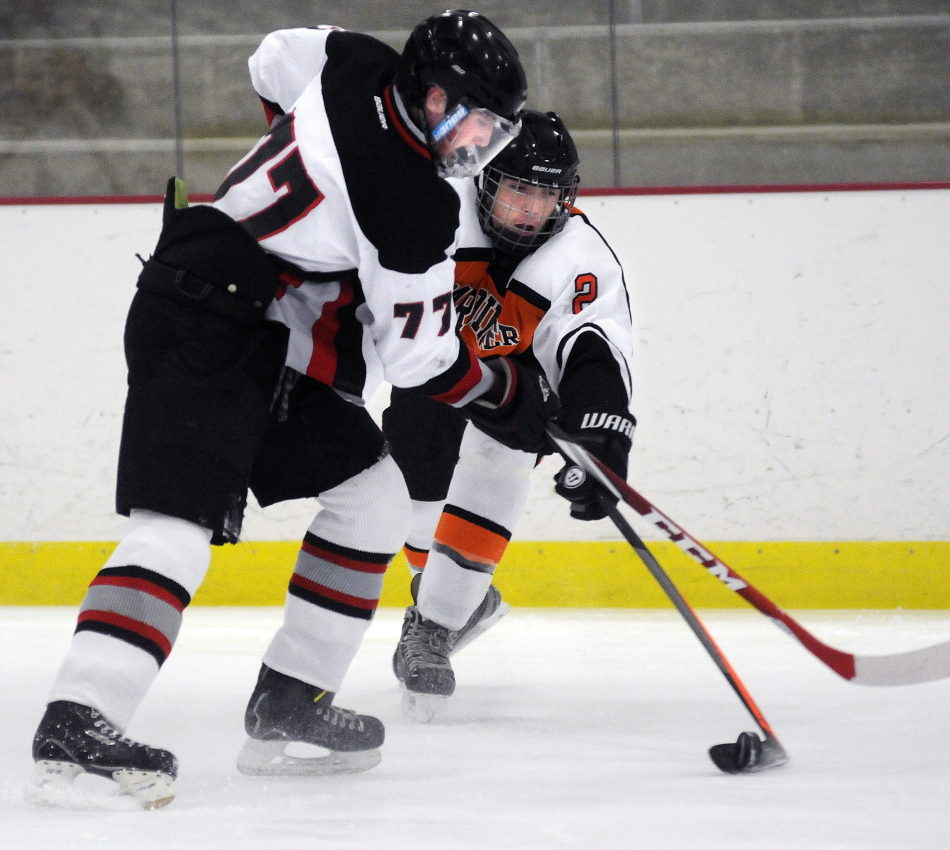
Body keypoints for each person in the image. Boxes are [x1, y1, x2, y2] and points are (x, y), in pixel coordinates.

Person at [28, 11, 559, 810]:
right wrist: (508, 393)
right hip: (205, 312)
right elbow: (418, 360)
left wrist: (304, 162)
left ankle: (290, 703)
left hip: (265, 328)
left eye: (490, 127)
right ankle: (79, 718)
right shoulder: (411, 204)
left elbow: (271, 58)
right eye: (464, 115)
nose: (472, 141)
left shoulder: (352, 61)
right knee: (177, 523)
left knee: (373, 498)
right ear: (426, 91)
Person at [383, 110, 635, 719]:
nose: (531, 208)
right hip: (437, 363)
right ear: (488, 180)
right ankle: (449, 594)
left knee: (501, 454)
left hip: (519, 380)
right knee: (416, 460)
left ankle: (437, 623)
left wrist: (601, 437)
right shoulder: (439, 207)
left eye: (547, 194)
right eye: (519, 189)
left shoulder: (581, 258)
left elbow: (594, 351)